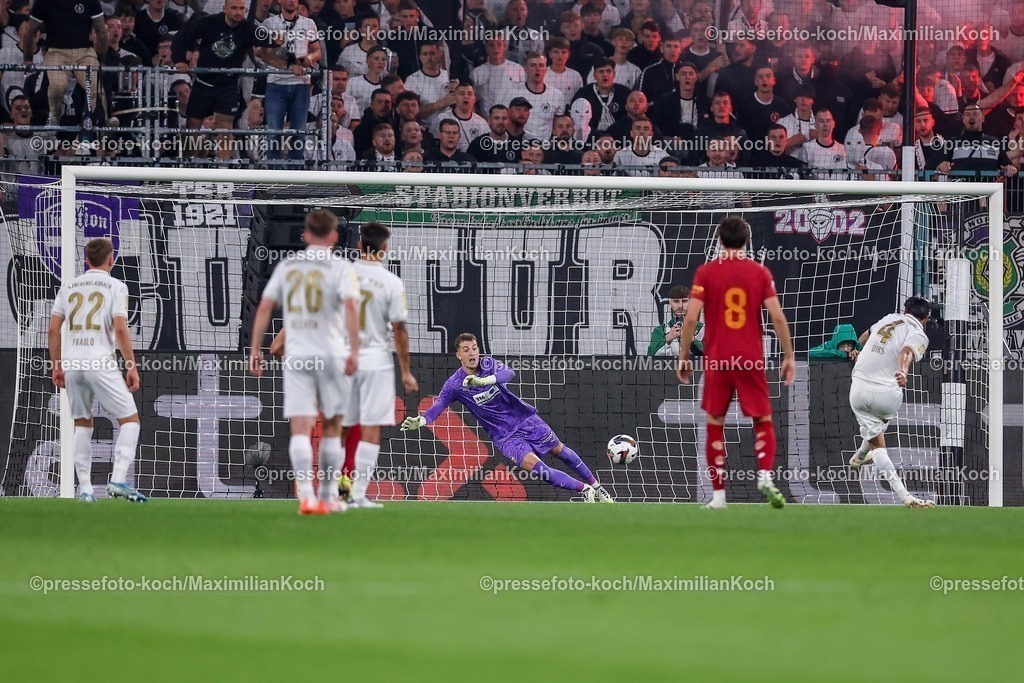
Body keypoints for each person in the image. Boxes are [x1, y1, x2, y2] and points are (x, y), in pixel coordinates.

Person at [400, 333, 614, 502]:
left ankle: (597, 487)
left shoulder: (488, 365)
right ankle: (585, 490)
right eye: (466, 350)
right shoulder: (454, 384)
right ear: (459, 355)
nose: (472, 352)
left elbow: (509, 373)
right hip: (505, 438)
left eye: (474, 347)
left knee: (559, 450)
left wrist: (484, 382)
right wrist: (421, 420)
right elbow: (438, 407)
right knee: (540, 470)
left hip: (525, 420)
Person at [676, 216, 795, 510]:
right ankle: (765, 475)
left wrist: (683, 356)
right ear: (746, 241)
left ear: (719, 239)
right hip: (750, 359)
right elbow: (777, 316)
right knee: (762, 419)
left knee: (716, 422)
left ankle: (718, 496)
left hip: (717, 360)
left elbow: (691, 318)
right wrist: (788, 355)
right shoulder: (758, 272)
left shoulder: (705, 273)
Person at [249, 210, 361, 515]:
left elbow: (264, 308)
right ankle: (328, 496)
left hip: (298, 357)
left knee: (300, 430)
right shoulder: (341, 267)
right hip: (331, 355)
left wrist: (255, 349)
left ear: (307, 235)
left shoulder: (289, 266)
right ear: (335, 237)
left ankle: (307, 495)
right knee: (333, 429)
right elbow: (351, 309)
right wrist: (354, 350)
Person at [48, 238, 145, 503]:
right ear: (111, 259)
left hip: (72, 363)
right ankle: (118, 480)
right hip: (99, 361)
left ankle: (87, 490)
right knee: (130, 421)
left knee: (82, 423)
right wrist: (131, 366)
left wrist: (57, 366)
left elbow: (53, 329)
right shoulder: (116, 286)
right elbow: (122, 328)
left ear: (87, 260)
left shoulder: (68, 286)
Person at [339, 222, 418, 508]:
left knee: (343, 428)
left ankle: (341, 491)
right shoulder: (392, 283)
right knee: (372, 427)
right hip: (375, 362)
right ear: (385, 250)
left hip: (342, 360)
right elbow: (399, 330)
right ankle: (357, 494)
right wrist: (406, 372)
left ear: (360, 246)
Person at [847, 297, 936, 509]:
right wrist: (903, 371)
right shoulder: (919, 334)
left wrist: (857, 351)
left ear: (904, 310)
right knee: (880, 426)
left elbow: (863, 337)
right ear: (927, 319)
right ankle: (906, 496)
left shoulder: (888, 318)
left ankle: (860, 456)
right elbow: (906, 352)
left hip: (858, 389)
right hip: (888, 395)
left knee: (876, 438)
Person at [172, 0, 277, 160]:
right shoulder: (209, 23)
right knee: (192, 128)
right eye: (234, 8)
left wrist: (280, 41)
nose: (238, 12)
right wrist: (179, 60)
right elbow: (182, 36)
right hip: (203, 84)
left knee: (226, 129)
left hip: (228, 85)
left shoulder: (247, 28)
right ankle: (187, 167)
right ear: (225, 9)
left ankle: (223, 173)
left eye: (242, 9)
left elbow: (270, 39)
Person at [25, 0, 108, 126]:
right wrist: (28, 59)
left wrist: (101, 58)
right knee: (58, 86)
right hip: (56, 52)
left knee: (95, 87)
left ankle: (101, 121)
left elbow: (101, 29)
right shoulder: (44, 3)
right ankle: (55, 116)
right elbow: (30, 30)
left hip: (84, 53)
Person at [648, 285, 703, 357]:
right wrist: (668, 338)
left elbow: (712, 356)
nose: (680, 305)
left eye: (684, 301)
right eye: (676, 301)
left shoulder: (703, 329)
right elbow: (649, 359)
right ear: (670, 303)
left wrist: (692, 340)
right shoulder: (660, 331)